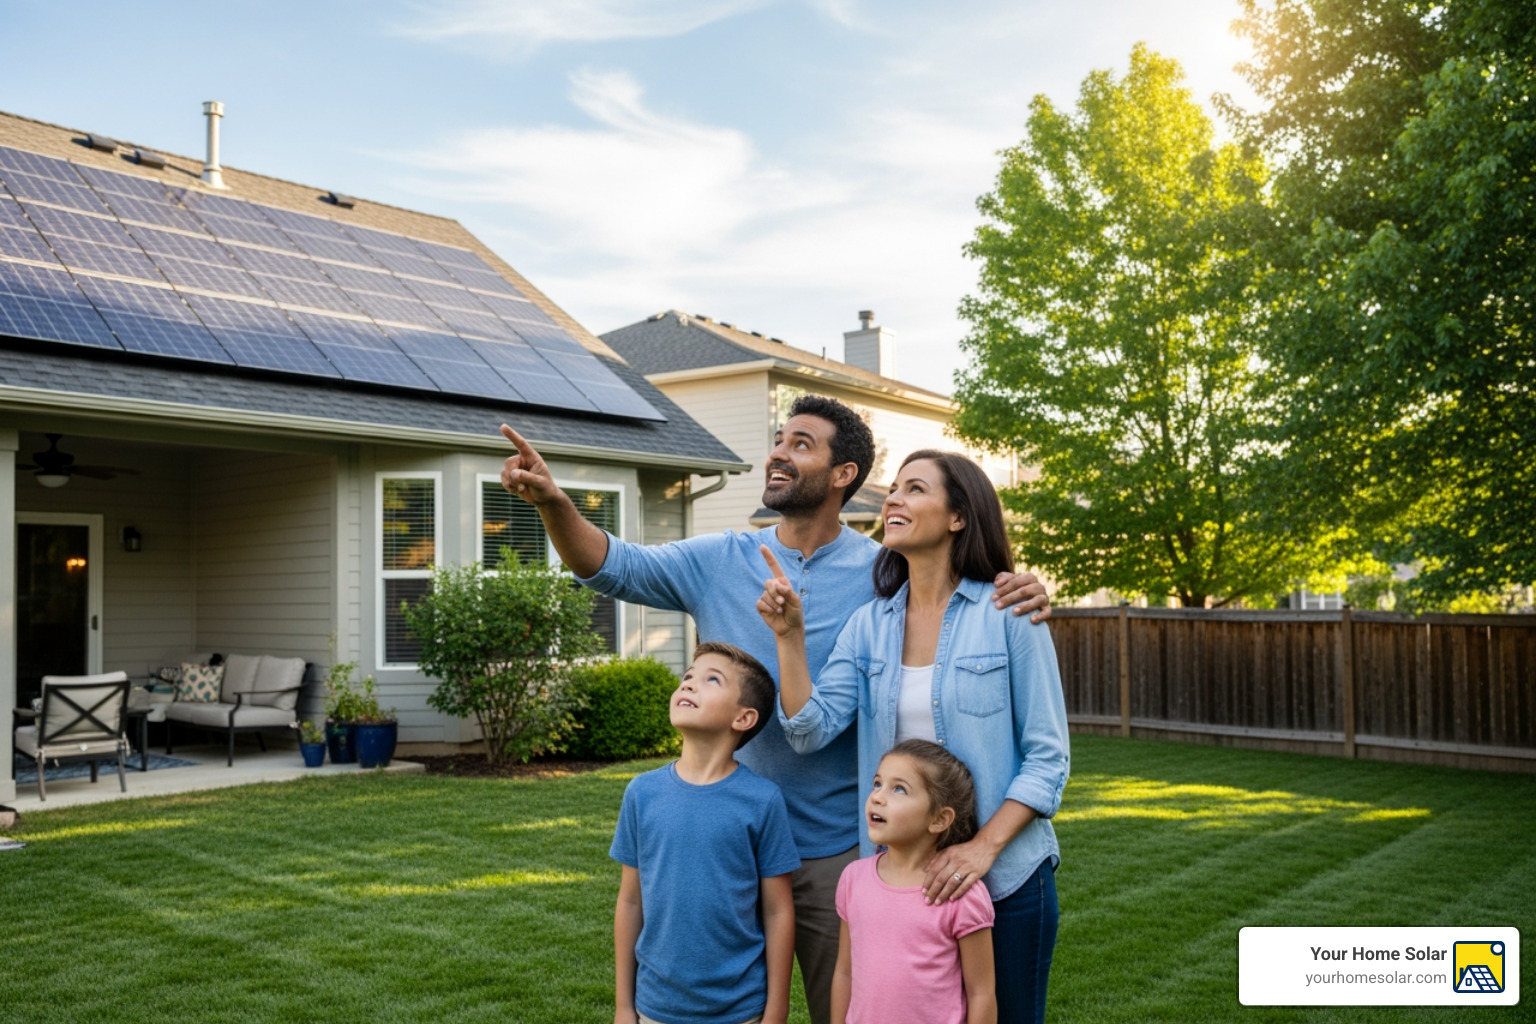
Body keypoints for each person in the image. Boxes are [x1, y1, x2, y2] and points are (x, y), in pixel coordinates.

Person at [501, 395, 1052, 1024]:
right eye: (778, 440)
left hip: (837, 850)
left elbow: (957, 582)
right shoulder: (720, 559)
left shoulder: (885, 573)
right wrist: (554, 503)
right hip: (725, 843)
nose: (777, 454)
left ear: (844, 474)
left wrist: (1019, 584)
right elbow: (611, 564)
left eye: (800, 444)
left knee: (851, 1005)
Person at [758, 449, 1070, 1024]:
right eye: (895, 488)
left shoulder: (1009, 614)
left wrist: (981, 849)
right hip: (903, 887)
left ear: (958, 516)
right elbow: (809, 729)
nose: (894, 499)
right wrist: (789, 638)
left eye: (915, 489)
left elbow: (1048, 760)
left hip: (1006, 878)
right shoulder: (869, 625)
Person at [611, 641, 800, 1024]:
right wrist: (623, 1007)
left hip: (741, 1009)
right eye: (687, 676)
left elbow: (778, 911)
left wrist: (777, 1011)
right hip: (656, 1007)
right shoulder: (642, 793)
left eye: (712, 680)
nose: (688, 684)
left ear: (743, 718)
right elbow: (630, 902)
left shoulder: (762, 801)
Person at [834, 739, 997, 1024]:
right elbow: (844, 972)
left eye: (899, 789)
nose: (877, 797)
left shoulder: (960, 893)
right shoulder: (853, 879)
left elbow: (981, 993)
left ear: (939, 819)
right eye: (877, 784)